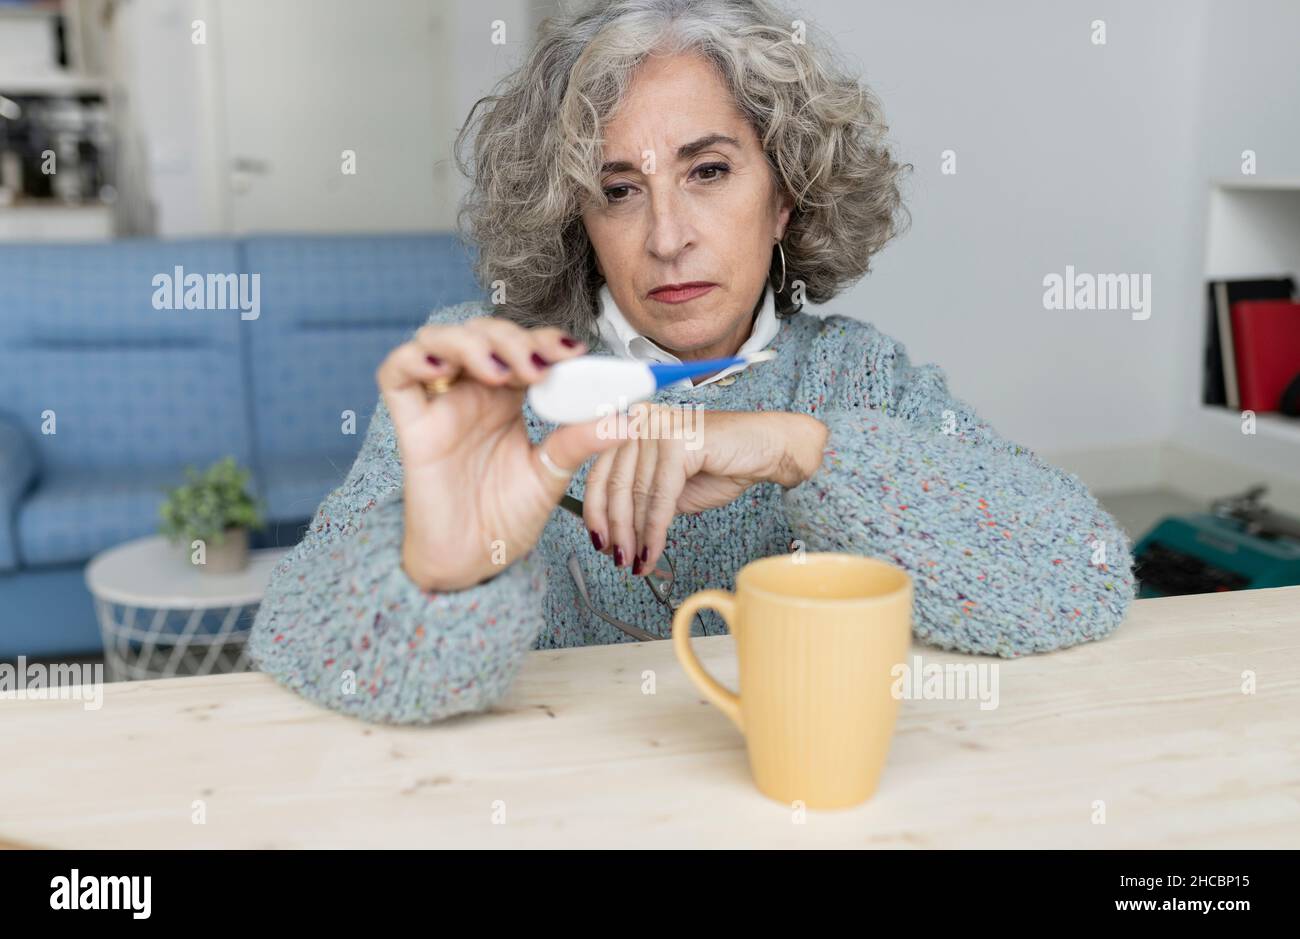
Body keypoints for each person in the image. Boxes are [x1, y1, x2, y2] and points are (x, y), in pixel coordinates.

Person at [248, 0, 1137, 724]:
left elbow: (1085, 575)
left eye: (708, 171)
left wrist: (799, 450)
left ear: (785, 194)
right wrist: (439, 570)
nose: (667, 238)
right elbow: (296, 640)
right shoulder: (489, 380)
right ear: (575, 217)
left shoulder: (858, 380)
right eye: (618, 190)